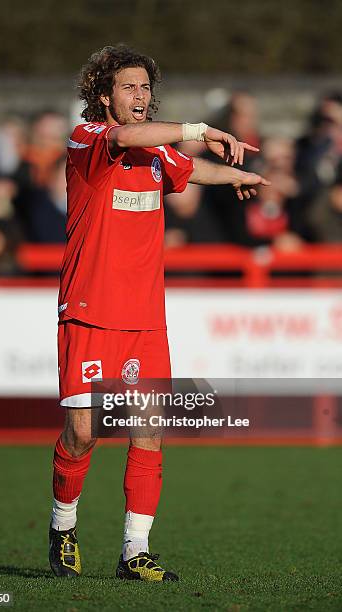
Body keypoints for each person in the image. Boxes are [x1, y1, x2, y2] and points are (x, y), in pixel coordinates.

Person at [49, 44, 269, 582]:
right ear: (104, 95)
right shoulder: (89, 139)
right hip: (91, 309)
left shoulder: (158, 154)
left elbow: (191, 171)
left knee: (149, 430)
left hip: (145, 318)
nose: (141, 96)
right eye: (129, 86)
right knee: (83, 433)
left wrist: (245, 176)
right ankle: (63, 525)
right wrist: (201, 126)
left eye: (146, 87)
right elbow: (127, 137)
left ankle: (135, 551)